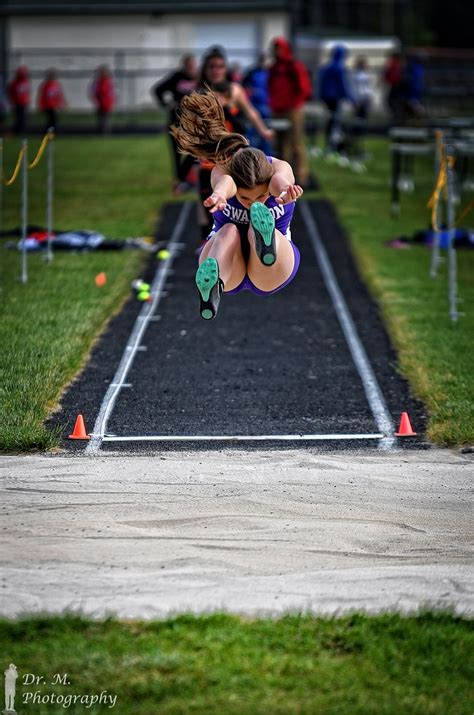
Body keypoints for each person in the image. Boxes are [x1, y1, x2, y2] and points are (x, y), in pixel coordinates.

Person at [171, 90, 303, 321]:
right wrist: (220, 196)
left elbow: (280, 181)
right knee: (229, 231)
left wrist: (285, 192)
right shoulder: (224, 173)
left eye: (260, 197)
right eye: (245, 199)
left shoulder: (278, 170)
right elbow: (226, 184)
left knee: (256, 226)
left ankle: (266, 241)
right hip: (229, 265)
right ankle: (213, 286)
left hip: (272, 266)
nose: (253, 203)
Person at [196, 48, 274, 242]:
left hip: (236, 154)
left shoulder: (234, 90)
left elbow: (251, 113)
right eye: (212, 66)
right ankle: (208, 240)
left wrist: (263, 130)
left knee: (243, 194)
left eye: (220, 66)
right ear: (205, 69)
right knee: (209, 198)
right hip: (211, 156)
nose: (216, 70)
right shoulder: (199, 94)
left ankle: (251, 236)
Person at [268, 37, 312, 187]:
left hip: (292, 111)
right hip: (277, 110)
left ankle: (300, 177)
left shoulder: (294, 66)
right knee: (279, 144)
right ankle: (281, 177)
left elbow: (304, 89)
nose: (276, 51)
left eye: (279, 48)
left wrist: (292, 105)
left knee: (295, 144)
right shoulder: (274, 68)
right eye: (275, 48)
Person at [152, 54, 198, 194]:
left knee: (194, 152)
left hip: (194, 123)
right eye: (188, 65)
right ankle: (179, 182)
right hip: (176, 122)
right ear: (184, 65)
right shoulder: (176, 77)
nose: (191, 68)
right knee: (177, 154)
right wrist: (166, 104)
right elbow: (157, 89)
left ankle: (187, 179)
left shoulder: (200, 77)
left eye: (193, 65)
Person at [318, 45, 354, 155]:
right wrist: (350, 97)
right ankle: (334, 146)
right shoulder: (339, 68)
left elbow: (322, 83)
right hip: (336, 99)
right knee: (336, 123)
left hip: (327, 99)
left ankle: (329, 144)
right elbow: (342, 84)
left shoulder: (327, 67)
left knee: (330, 122)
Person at [242, 53, 272, 155]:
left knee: (266, 130)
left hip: (267, 106)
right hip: (254, 106)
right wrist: (251, 91)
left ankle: (267, 154)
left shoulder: (270, 72)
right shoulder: (252, 72)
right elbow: (244, 84)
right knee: (253, 130)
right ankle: (250, 153)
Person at [350, 57, 373, 162]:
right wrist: (355, 100)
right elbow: (355, 88)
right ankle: (355, 146)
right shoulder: (356, 75)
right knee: (357, 124)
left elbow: (368, 89)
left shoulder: (366, 74)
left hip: (364, 101)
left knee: (363, 124)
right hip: (359, 101)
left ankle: (361, 147)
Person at [90, 66, 114, 134]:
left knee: (104, 119)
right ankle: (102, 131)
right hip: (102, 103)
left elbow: (106, 92)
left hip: (105, 103)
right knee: (102, 118)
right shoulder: (100, 82)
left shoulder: (105, 81)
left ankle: (104, 132)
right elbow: (94, 91)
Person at [8, 65, 30, 134]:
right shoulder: (15, 83)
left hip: (24, 102)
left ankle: (21, 131)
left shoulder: (25, 81)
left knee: (23, 118)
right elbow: (11, 92)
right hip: (17, 103)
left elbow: (27, 92)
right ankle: (17, 131)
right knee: (18, 118)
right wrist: (13, 101)